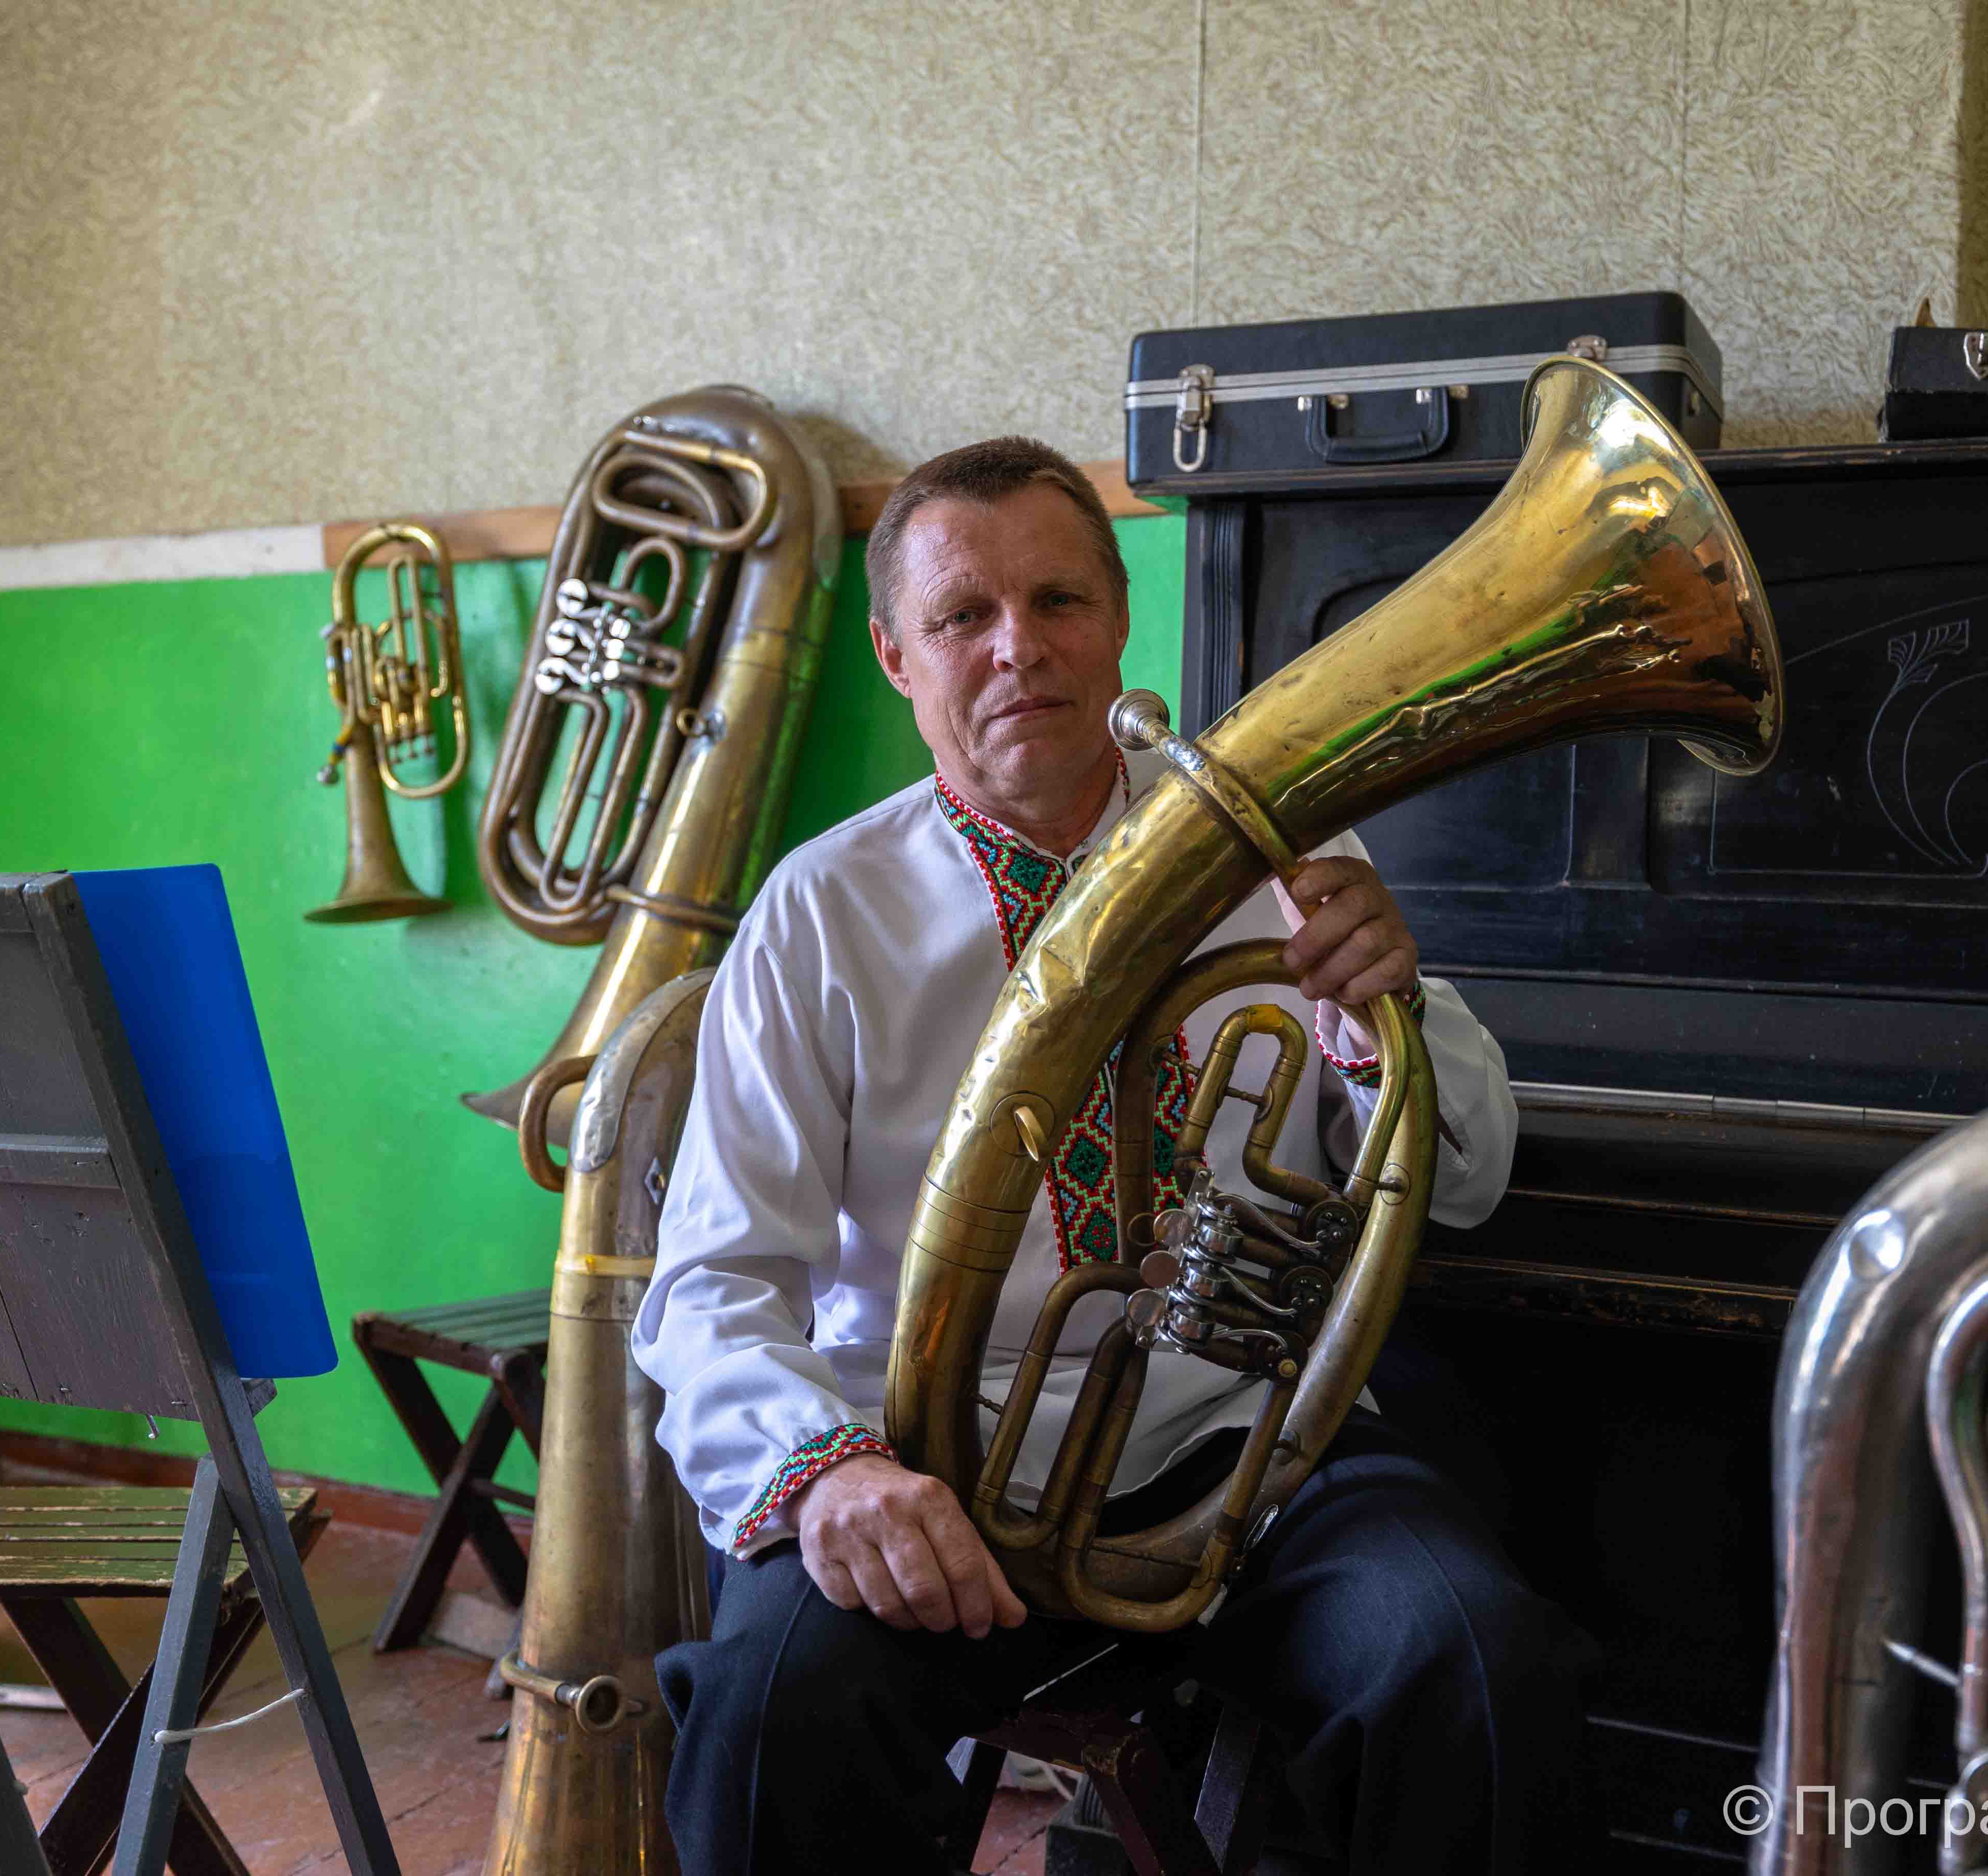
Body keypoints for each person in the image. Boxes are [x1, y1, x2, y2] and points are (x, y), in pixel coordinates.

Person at [630, 437, 1595, 1873]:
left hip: (1247, 1454)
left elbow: (1463, 1177)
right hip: (929, 1474)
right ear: (899, 658)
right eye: (964, 617)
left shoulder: (1281, 848)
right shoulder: (818, 910)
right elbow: (712, 1290)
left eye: (1059, 601)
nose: (1019, 648)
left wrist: (1377, 1010)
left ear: (1122, 618)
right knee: (774, 1719)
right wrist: (830, 1480)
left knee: (1481, 1666)